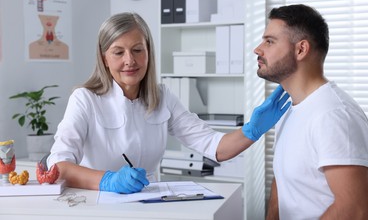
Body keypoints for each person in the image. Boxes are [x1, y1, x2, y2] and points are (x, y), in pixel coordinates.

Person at [47, 12, 290, 194]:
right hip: (98, 206)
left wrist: (253, 129)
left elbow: (214, 146)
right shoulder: (85, 99)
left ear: (149, 52)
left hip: (149, 204)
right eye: (118, 52)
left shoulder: (162, 97)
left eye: (137, 50)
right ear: (104, 58)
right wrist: (107, 181)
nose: (130, 60)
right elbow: (58, 166)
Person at [255, 4, 368, 220]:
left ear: (301, 49)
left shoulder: (333, 115)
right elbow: (283, 187)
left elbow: (354, 211)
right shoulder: (290, 110)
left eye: (269, 41)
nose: (258, 49)